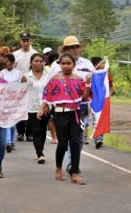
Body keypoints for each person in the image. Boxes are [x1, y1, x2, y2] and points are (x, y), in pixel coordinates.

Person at [37, 53, 91, 185]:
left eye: (69, 63)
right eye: (63, 63)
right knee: (62, 143)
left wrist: (88, 84)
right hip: (60, 114)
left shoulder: (79, 79)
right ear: (60, 64)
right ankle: (58, 168)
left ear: (74, 65)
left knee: (75, 143)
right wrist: (41, 108)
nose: (66, 66)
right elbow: (47, 96)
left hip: (75, 114)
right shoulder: (54, 79)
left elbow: (84, 97)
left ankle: (74, 173)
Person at [47, 36, 94, 172]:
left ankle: (71, 165)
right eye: (70, 47)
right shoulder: (57, 65)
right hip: (62, 108)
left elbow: (94, 86)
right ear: (65, 50)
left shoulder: (88, 64)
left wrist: (89, 82)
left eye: (76, 47)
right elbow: (48, 86)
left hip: (81, 106)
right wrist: (46, 105)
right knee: (64, 140)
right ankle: (65, 166)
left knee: (77, 139)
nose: (74, 49)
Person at [21, 53, 49, 164]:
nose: (38, 63)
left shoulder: (48, 76)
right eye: (35, 61)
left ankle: (40, 149)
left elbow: (51, 92)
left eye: (40, 61)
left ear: (43, 63)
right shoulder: (26, 77)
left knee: (43, 131)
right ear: (31, 63)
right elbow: (21, 92)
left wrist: (48, 106)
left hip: (46, 107)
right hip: (31, 108)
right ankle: (39, 154)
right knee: (36, 131)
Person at [0, 53, 24, 150]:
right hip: (5, 100)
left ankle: (11, 141)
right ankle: (8, 142)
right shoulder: (2, 73)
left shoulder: (19, 73)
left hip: (15, 100)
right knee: (7, 121)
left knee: (13, 123)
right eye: (5, 62)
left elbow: (21, 85)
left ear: (13, 62)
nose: (6, 64)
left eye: (8, 62)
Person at [90, 56, 114, 149]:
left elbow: (111, 86)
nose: (103, 65)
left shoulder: (105, 74)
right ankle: (98, 138)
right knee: (97, 118)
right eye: (102, 63)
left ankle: (99, 138)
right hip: (94, 101)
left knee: (102, 118)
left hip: (104, 100)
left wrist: (108, 95)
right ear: (96, 65)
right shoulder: (91, 74)